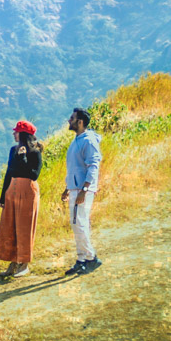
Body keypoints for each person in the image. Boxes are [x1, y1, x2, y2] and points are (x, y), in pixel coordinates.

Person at [0, 119, 42, 277]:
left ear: (23, 134)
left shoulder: (35, 152)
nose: (14, 133)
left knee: (24, 227)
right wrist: (3, 196)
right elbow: (9, 172)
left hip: (27, 190)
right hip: (12, 190)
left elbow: (33, 174)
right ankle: (13, 262)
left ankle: (24, 264)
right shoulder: (12, 150)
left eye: (16, 131)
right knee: (10, 227)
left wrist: (23, 158)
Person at [61, 107, 102, 275]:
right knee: (77, 224)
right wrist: (67, 188)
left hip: (82, 190)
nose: (69, 121)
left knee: (80, 223)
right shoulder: (77, 140)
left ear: (80, 122)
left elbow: (93, 166)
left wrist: (84, 190)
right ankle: (81, 260)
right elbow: (75, 168)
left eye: (72, 118)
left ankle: (91, 258)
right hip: (75, 188)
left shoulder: (89, 140)